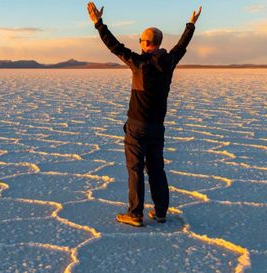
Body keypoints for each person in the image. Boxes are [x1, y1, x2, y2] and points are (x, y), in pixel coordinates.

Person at [87, 1, 201, 227]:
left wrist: (98, 24)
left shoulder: (139, 63)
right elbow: (181, 45)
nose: (138, 43)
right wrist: (191, 25)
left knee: (135, 169)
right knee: (157, 168)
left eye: (140, 40)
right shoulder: (169, 61)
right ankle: (160, 212)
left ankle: (135, 213)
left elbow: (115, 47)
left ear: (146, 43)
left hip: (137, 127)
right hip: (157, 127)